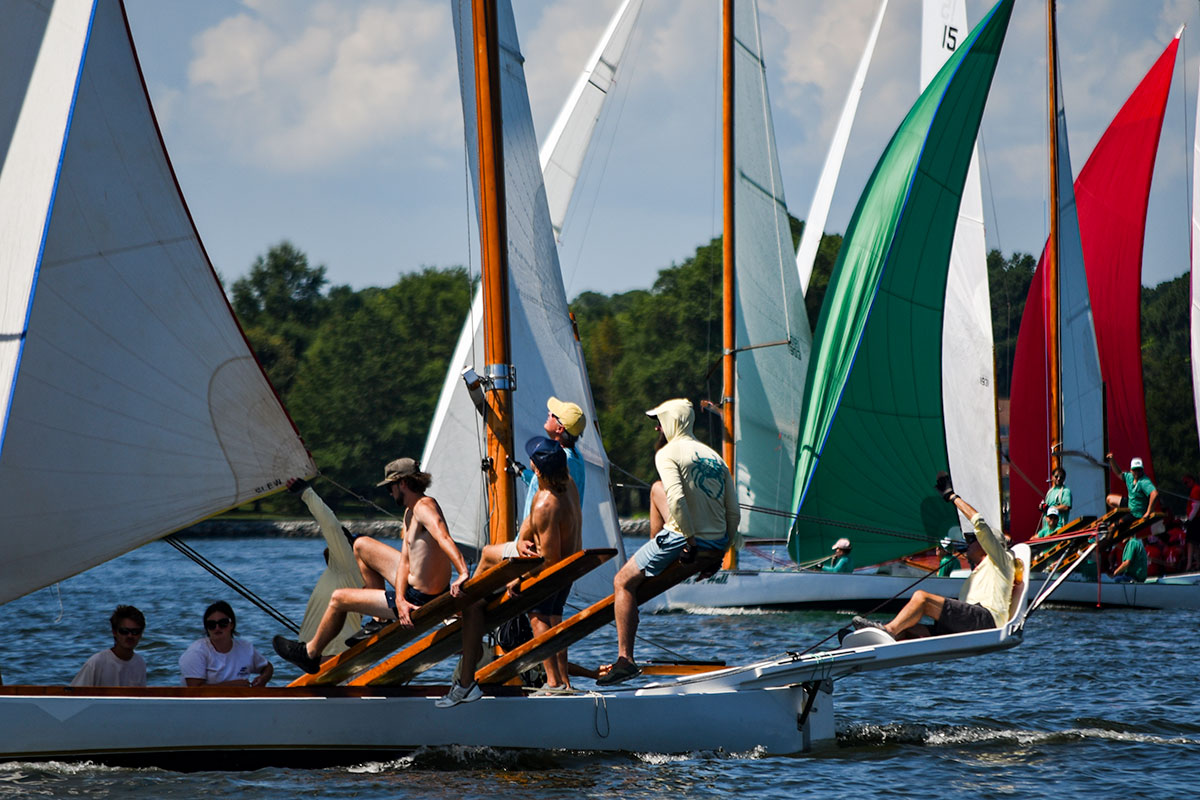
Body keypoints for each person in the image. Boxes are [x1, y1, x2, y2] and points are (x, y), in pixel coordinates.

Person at [273, 458, 470, 675]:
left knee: (338, 599)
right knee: (360, 545)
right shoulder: (410, 511)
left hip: (421, 598)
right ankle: (380, 620)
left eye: (390, 487)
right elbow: (405, 562)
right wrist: (399, 599)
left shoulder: (424, 507)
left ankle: (310, 653)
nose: (390, 493)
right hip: (413, 592)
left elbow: (443, 537)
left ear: (403, 483)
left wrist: (463, 572)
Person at [597, 398, 739, 685]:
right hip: (716, 541)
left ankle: (625, 660)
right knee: (655, 489)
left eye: (659, 423)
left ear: (672, 423)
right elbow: (733, 512)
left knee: (622, 582)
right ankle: (654, 553)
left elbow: (677, 499)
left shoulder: (668, 453)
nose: (656, 429)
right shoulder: (714, 456)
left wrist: (690, 543)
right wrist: (721, 551)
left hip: (685, 539)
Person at [440, 436, 583, 705]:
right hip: (569, 569)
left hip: (552, 571)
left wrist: (518, 578)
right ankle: (563, 681)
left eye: (532, 461)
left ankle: (553, 683)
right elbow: (535, 527)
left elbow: (548, 559)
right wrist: (520, 542)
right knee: (555, 618)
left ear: (537, 469)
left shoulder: (545, 502)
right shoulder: (567, 485)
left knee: (539, 618)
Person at [852, 472, 1015, 639]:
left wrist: (952, 497)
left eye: (973, 540)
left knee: (921, 598)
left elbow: (979, 522)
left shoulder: (1000, 560)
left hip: (986, 620)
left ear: (986, 545)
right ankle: (870, 639)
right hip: (970, 622)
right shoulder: (980, 571)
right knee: (908, 630)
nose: (969, 543)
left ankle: (888, 630)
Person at [287, 477, 364, 655]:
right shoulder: (342, 573)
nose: (330, 544)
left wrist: (306, 493)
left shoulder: (347, 564)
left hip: (332, 653)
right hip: (330, 652)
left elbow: (331, 526)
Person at [520, 397, 587, 524]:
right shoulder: (575, 457)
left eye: (553, 415)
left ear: (560, 429)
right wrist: (522, 473)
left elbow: (546, 489)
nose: (549, 413)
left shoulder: (560, 459)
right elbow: (547, 484)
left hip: (538, 533)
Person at [180, 601, 273, 686]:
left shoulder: (246, 647)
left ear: (232, 625)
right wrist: (233, 686)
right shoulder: (196, 652)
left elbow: (267, 667)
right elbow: (194, 690)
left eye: (223, 623)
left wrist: (263, 679)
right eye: (211, 624)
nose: (217, 628)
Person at [71, 605, 147, 687]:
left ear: (141, 633)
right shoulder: (96, 663)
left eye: (135, 632)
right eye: (124, 631)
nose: (130, 636)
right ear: (114, 632)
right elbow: (74, 693)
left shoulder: (140, 663)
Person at [1106, 454, 1158, 520]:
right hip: (1131, 504)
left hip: (1138, 512)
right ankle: (1123, 515)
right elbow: (1119, 473)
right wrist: (1112, 460)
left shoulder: (1144, 481)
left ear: (1142, 470)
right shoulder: (1129, 476)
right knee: (1109, 499)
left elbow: (1154, 494)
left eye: (1139, 470)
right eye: (1135, 470)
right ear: (1131, 470)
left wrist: (1148, 512)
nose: (1137, 472)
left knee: (1117, 524)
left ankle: (1121, 520)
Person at [1039, 466, 1072, 531]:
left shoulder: (1065, 491)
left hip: (1058, 527)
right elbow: (1046, 506)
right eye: (1056, 476)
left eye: (1061, 477)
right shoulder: (1050, 491)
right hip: (1046, 527)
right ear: (1052, 477)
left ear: (1064, 479)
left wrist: (1050, 508)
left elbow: (1066, 507)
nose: (1058, 479)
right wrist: (1042, 507)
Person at [1183, 474, 1200, 570]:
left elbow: (1196, 506)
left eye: (1187, 482)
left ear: (1192, 480)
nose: (1186, 485)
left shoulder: (1195, 490)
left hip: (1195, 519)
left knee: (1190, 542)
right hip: (1195, 519)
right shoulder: (1195, 490)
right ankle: (1197, 563)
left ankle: (1189, 565)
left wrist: (1189, 520)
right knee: (1196, 543)